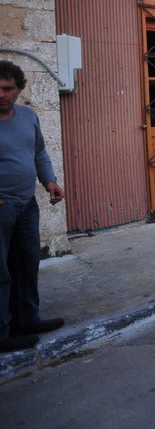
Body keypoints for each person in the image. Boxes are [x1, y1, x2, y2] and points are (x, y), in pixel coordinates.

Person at [0, 60, 65, 353]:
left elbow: (38, 152)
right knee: (0, 273)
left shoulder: (28, 116)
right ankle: (2, 334)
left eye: (7, 89)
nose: (1, 94)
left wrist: (49, 181)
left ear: (19, 90)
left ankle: (27, 320)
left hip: (26, 206)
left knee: (27, 264)